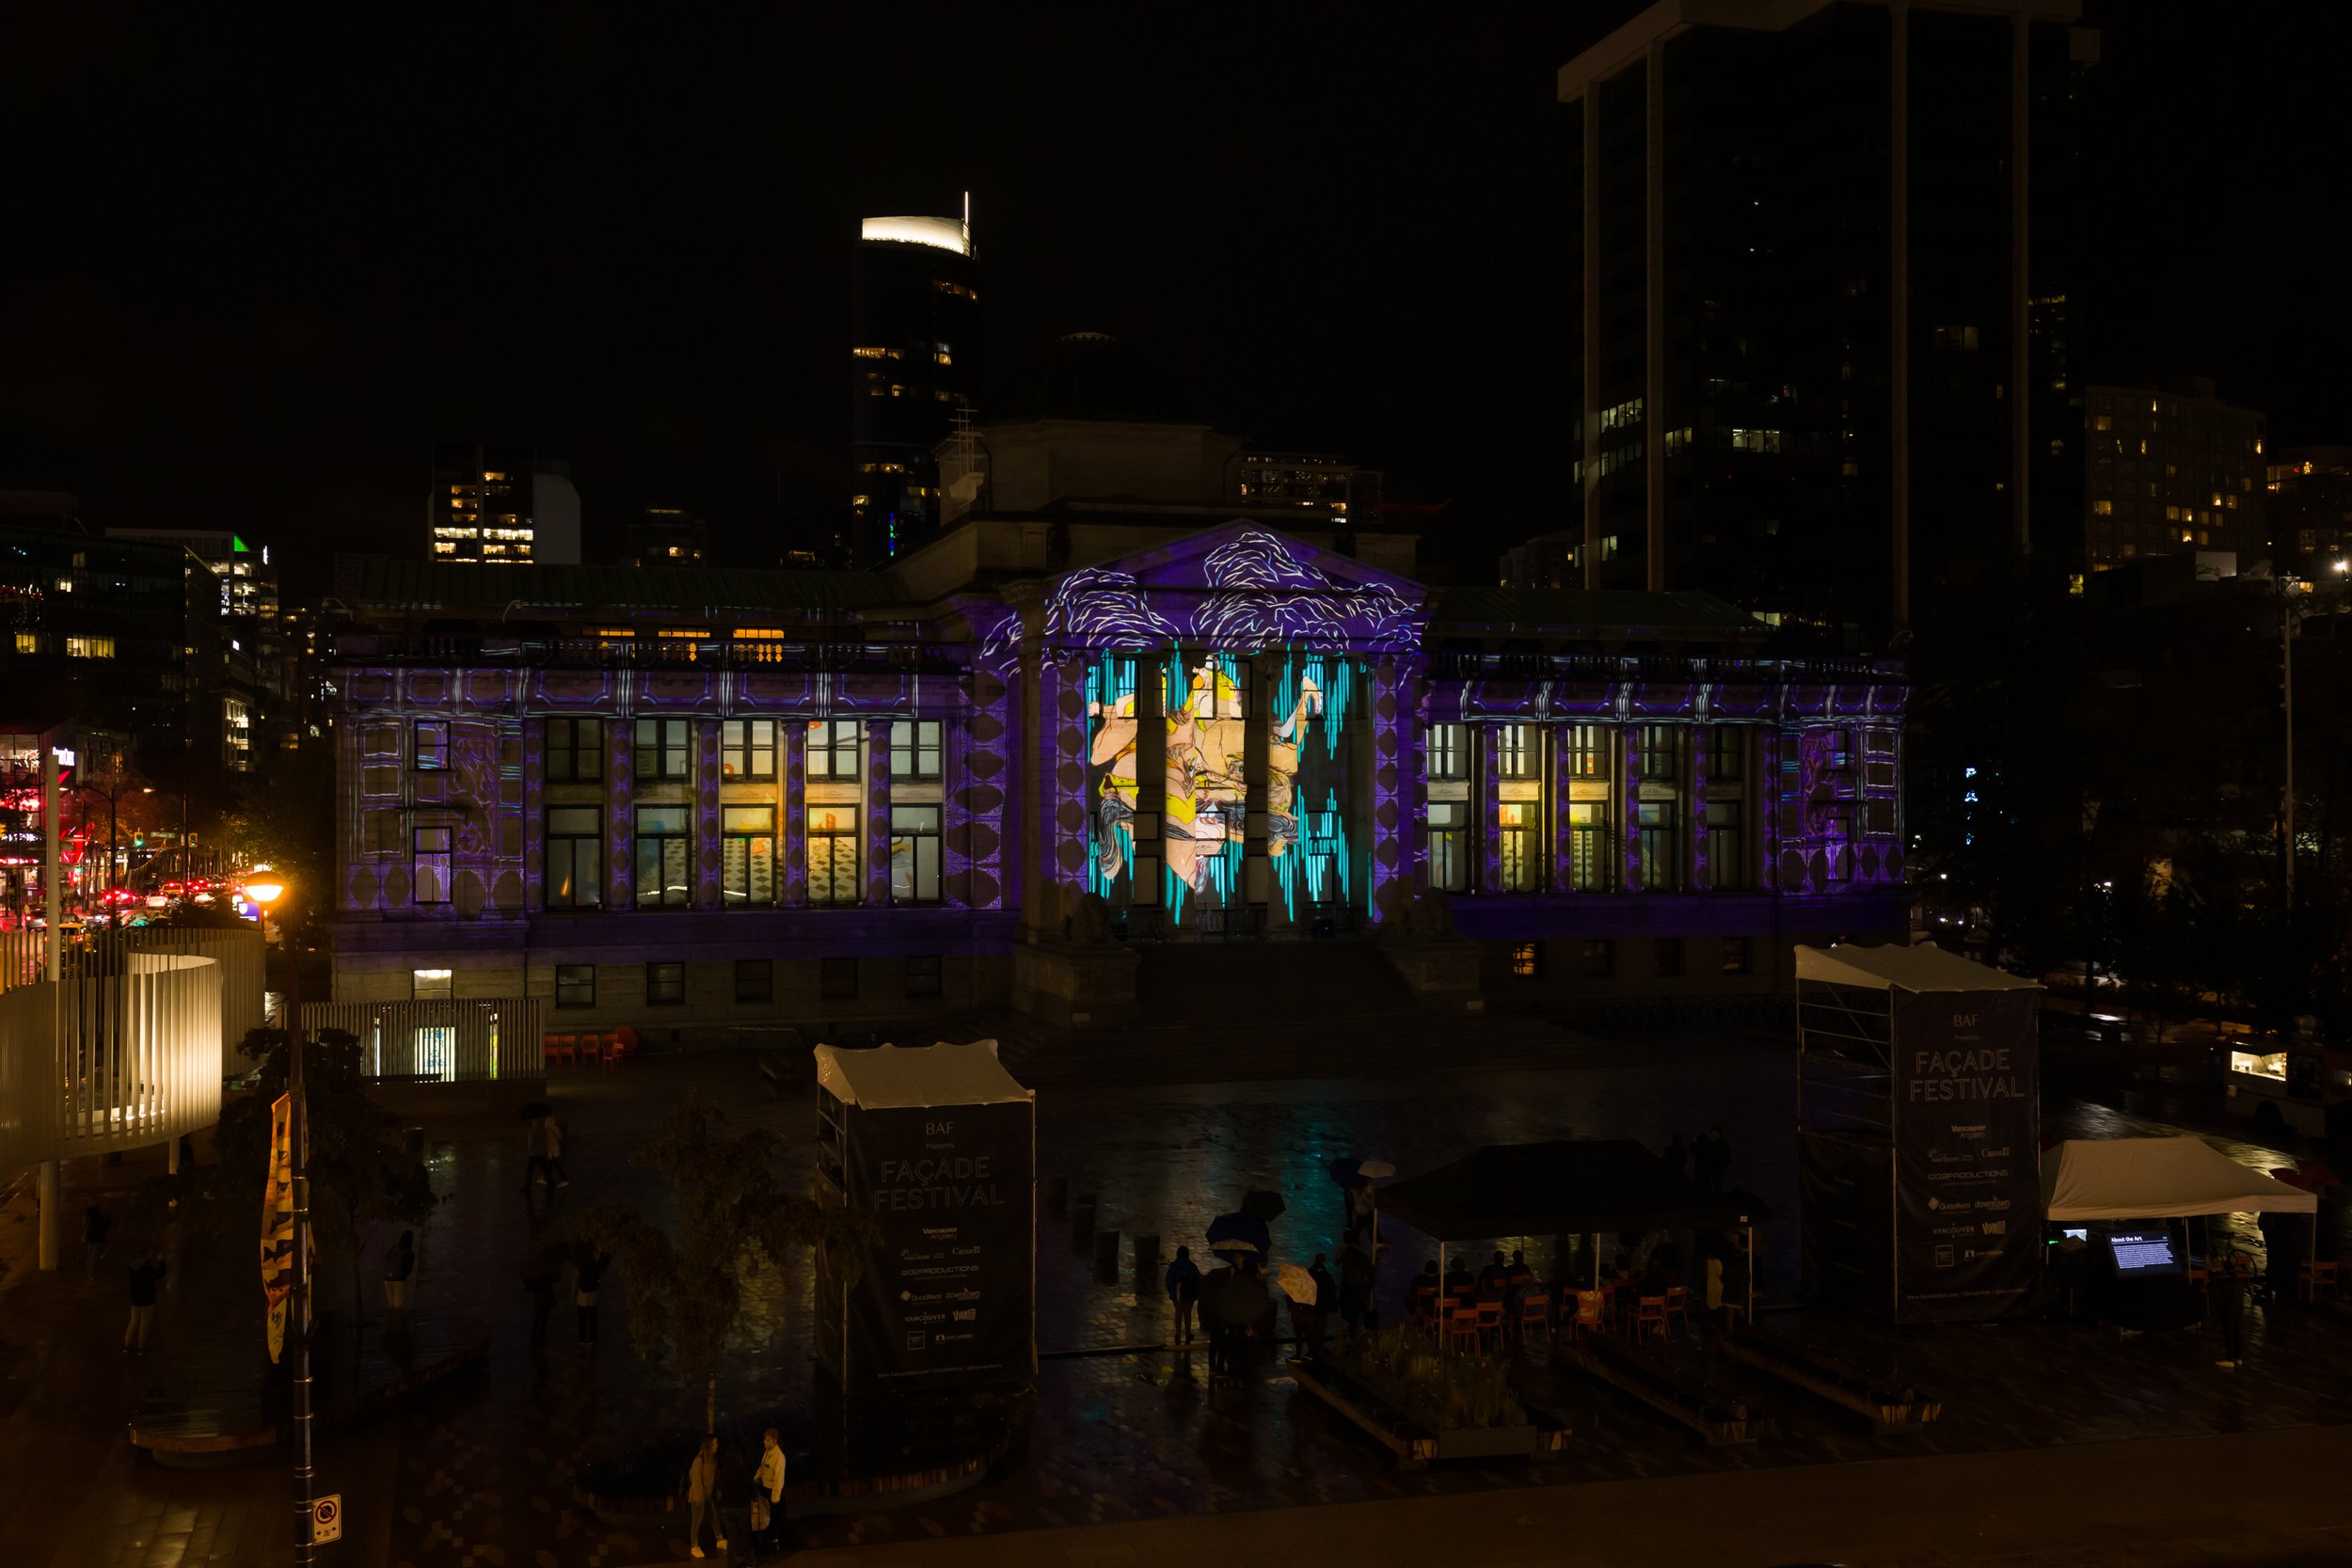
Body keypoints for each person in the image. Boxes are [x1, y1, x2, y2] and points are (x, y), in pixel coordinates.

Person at [750, 1425, 789, 1557]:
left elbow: (779, 1479)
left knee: (774, 1518)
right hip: (765, 1489)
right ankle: (768, 1539)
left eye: (767, 1440)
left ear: (774, 1441)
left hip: (773, 1492)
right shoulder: (767, 1452)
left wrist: (775, 1497)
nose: (764, 1442)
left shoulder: (779, 1457)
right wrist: (756, 1478)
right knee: (766, 1516)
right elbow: (762, 1468)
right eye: (764, 1439)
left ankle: (775, 1542)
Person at [684, 1433, 725, 1559]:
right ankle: (694, 1546)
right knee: (697, 1521)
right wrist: (699, 1498)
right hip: (698, 1496)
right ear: (708, 1446)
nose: (716, 1446)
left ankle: (720, 1539)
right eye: (714, 1444)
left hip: (707, 1494)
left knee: (714, 1517)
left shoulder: (713, 1459)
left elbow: (715, 1477)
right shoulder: (699, 1460)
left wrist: (717, 1490)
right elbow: (696, 1479)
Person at [2215, 1249, 2250, 1370]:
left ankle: (2229, 1358)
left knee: (2229, 1334)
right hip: (2238, 1311)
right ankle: (2238, 1357)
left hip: (2228, 1312)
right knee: (2237, 1333)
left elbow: (2222, 1300)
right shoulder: (2238, 1283)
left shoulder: (2225, 1285)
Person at [124, 1250, 167, 1352]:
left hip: (135, 1300)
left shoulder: (131, 1268)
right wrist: (161, 1260)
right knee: (144, 1325)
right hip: (148, 1301)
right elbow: (161, 1273)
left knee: (133, 1323)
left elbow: (140, 1267)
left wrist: (147, 1260)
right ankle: (141, 1348)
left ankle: (127, 1346)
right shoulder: (148, 1270)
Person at [1337, 1229, 1375, 1337]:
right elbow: (1371, 1277)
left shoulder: (1347, 1255)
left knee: (1352, 1321)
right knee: (1359, 1321)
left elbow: (1337, 1262)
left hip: (1351, 1295)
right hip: (1360, 1296)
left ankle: (1353, 1338)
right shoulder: (1362, 1257)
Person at [522, 1243, 559, 1349]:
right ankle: (540, 1338)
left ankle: (535, 1337)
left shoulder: (536, 1268)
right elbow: (556, 1278)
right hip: (544, 1297)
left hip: (538, 1298)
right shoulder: (545, 1269)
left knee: (538, 1318)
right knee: (543, 1319)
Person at [1165, 1244, 1202, 1345]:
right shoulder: (1191, 1266)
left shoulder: (1173, 1266)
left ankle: (1177, 1333)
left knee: (1178, 1313)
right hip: (1189, 1296)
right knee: (1187, 1314)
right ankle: (1188, 1332)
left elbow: (1168, 1281)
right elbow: (1197, 1280)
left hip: (1176, 1295)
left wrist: (1172, 1292)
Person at [576, 1249, 612, 1346]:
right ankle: (592, 1339)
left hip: (581, 1297)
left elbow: (575, 1281)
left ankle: (582, 1339)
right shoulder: (596, 1264)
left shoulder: (580, 1265)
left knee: (582, 1319)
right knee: (593, 1319)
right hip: (593, 1296)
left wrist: (573, 1295)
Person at [383, 1230, 416, 1329]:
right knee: (398, 1305)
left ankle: (390, 1324)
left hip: (387, 1279)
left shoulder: (394, 1248)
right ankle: (396, 1327)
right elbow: (408, 1268)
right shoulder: (409, 1252)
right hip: (399, 1280)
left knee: (391, 1304)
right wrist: (402, 1274)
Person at [1307, 1253, 1337, 1352]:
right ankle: (1319, 1344)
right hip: (1324, 1305)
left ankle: (1312, 1345)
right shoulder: (1326, 1275)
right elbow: (1331, 1291)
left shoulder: (1310, 1273)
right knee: (1322, 1326)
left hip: (1312, 1304)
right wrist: (1333, 1306)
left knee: (1312, 1325)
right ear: (1323, 1261)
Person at [1695, 1124, 1732, 1195]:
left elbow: (1728, 1152)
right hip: (1713, 1164)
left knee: (1715, 1182)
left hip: (1716, 1165)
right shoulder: (1717, 1141)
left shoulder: (1721, 1141)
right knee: (1712, 1181)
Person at [520, 1114, 549, 1194]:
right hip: (543, 1153)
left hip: (534, 1154)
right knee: (545, 1169)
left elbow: (531, 1144)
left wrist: (529, 1151)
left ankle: (527, 1186)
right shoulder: (543, 1130)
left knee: (530, 1171)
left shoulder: (532, 1131)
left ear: (533, 1121)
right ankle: (551, 1183)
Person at [542, 1114, 572, 1189]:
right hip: (556, 1149)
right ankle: (545, 1178)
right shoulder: (556, 1128)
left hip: (551, 1151)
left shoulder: (547, 1130)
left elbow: (545, 1141)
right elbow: (560, 1137)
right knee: (550, 1165)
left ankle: (564, 1180)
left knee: (557, 1166)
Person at [82, 1204, 110, 1275]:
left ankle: (88, 1270)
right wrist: (108, 1220)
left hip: (89, 1239)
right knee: (93, 1256)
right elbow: (104, 1227)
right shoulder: (99, 1217)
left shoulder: (89, 1218)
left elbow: (85, 1228)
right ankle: (90, 1271)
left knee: (89, 1255)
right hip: (95, 1239)